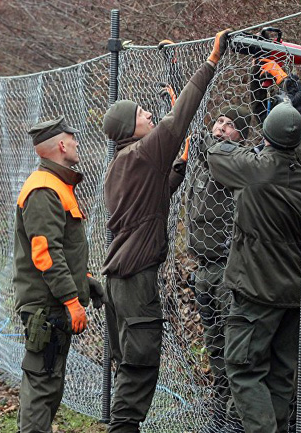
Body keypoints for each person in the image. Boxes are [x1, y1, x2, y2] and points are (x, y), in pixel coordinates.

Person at [100, 28, 232, 433]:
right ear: (128, 127)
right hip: (134, 282)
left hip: (120, 283)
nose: (150, 116)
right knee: (140, 369)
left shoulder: (122, 164)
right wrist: (211, 63)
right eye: (142, 115)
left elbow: (151, 201)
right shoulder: (141, 153)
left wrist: (177, 167)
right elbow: (179, 118)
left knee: (131, 367)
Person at [207, 102, 301, 433]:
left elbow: (218, 154)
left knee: (243, 371)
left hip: (255, 291)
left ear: (264, 136)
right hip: (293, 292)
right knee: (279, 374)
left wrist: (220, 135)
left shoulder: (255, 171)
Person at [13, 115, 104, 433]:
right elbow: (45, 254)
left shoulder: (56, 185)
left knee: (48, 384)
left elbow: (63, 249)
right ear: (62, 144)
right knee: (43, 386)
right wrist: (71, 300)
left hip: (52, 304)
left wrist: (85, 282)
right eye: (73, 139)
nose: (78, 144)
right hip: (46, 308)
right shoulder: (43, 189)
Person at [171, 105, 252, 432]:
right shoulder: (207, 162)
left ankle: (235, 420)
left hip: (227, 272)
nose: (220, 128)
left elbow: (198, 135)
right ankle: (219, 416)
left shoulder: (232, 162)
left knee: (234, 352)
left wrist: (183, 91)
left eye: (230, 125)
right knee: (215, 348)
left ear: (242, 136)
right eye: (219, 120)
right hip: (204, 271)